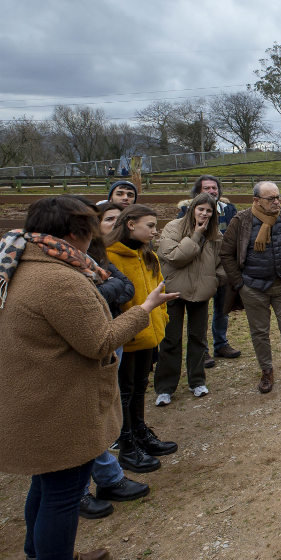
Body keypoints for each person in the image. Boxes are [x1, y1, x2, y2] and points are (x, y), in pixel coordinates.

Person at [0, 195, 177, 560]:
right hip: (58, 406)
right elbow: (100, 341)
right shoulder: (58, 280)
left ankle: (39, 554)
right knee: (64, 495)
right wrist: (145, 308)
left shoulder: (20, 262)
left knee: (46, 486)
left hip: (35, 398)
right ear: (75, 233)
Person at [65, 199, 151, 520]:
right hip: (92, 346)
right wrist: (139, 309)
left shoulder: (91, 258)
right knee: (85, 415)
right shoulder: (61, 272)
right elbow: (107, 297)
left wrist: (106, 288)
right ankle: (79, 492)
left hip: (109, 337)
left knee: (103, 407)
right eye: (103, 221)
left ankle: (108, 476)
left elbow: (123, 286)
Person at [106, 204, 178, 472]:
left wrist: (163, 319)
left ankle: (140, 434)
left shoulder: (148, 256)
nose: (154, 231)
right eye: (150, 225)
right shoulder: (110, 258)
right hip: (127, 336)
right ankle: (127, 447)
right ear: (130, 224)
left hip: (150, 334)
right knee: (124, 392)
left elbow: (160, 288)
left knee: (139, 387)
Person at [220, 181, 281, 393]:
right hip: (253, 287)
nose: (277, 202)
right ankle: (266, 371)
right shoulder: (241, 220)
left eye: (279, 197)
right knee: (259, 332)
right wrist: (240, 283)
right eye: (271, 199)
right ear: (256, 201)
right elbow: (226, 253)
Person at [154, 192, 226, 406]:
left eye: (209, 210)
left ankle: (197, 381)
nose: (204, 213)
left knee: (198, 339)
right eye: (200, 209)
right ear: (192, 208)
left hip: (201, 293)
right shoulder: (173, 228)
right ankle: (165, 387)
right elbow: (175, 257)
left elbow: (221, 262)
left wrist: (215, 280)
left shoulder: (215, 236)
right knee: (170, 340)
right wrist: (195, 235)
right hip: (174, 292)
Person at [176, 175, 241, 368]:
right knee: (200, 311)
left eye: (214, 188)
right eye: (207, 188)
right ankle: (201, 350)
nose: (212, 191)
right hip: (200, 267)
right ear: (198, 192)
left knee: (223, 308)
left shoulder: (229, 210)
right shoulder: (186, 212)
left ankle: (221, 344)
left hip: (223, 266)